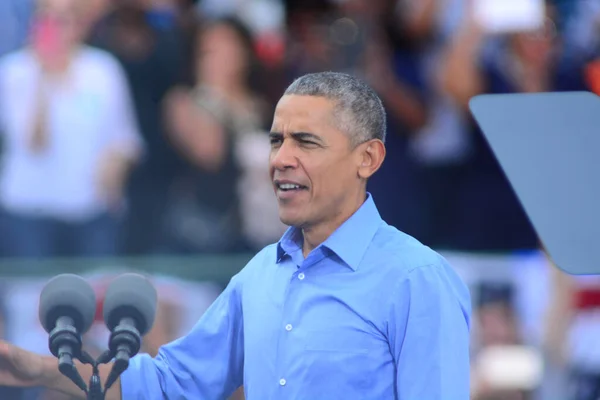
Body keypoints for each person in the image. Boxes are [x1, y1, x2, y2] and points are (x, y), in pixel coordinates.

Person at [0, 72, 471, 399]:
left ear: (367, 159)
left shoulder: (418, 279)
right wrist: (40, 369)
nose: (280, 158)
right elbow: (167, 384)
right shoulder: (260, 275)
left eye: (305, 141)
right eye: (275, 140)